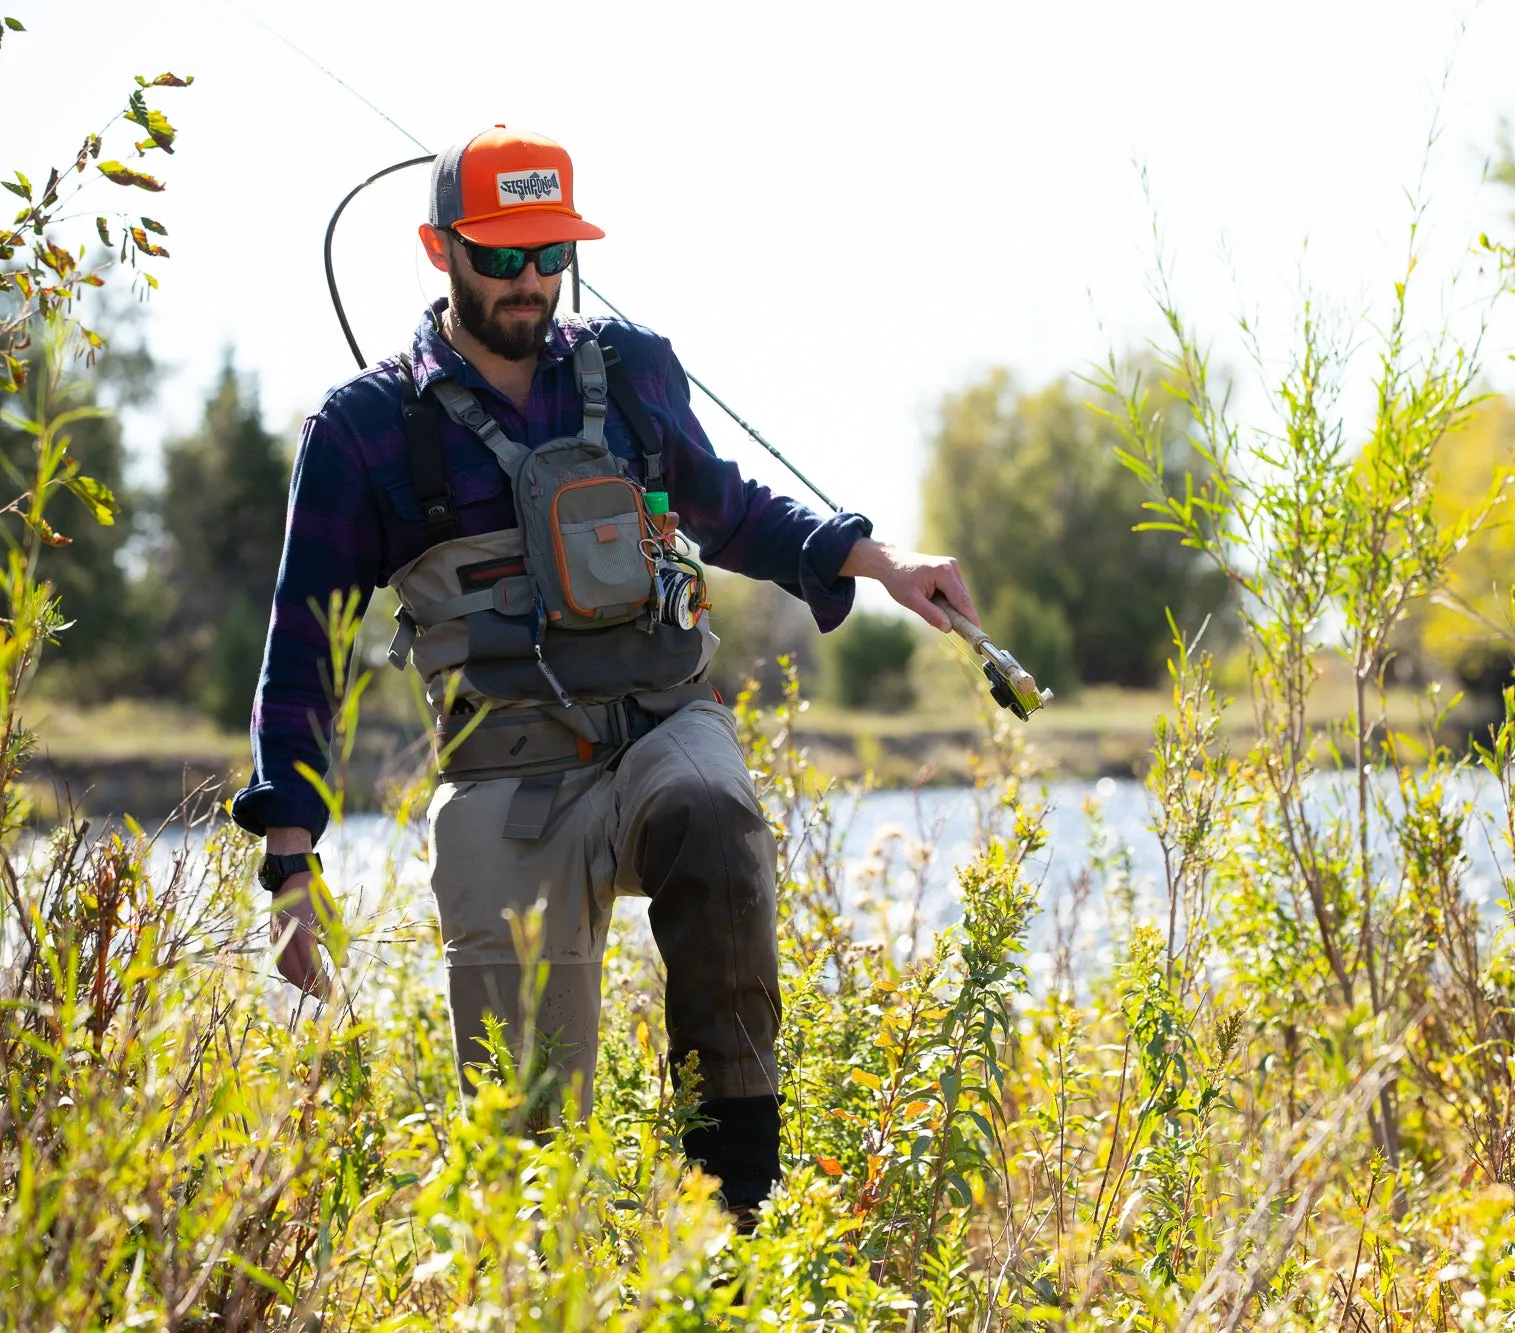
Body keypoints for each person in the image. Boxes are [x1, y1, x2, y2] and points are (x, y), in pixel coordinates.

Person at [229, 126, 977, 1224]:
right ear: (438, 249)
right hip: (503, 784)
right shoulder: (363, 431)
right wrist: (290, 865)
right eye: (501, 256)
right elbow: (305, 641)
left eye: (550, 253)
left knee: (715, 809)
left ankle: (735, 1214)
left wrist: (878, 561)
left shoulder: (633, 374)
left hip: (659, 732)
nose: (530, 281)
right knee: (529, 1147)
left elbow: (728, 508)